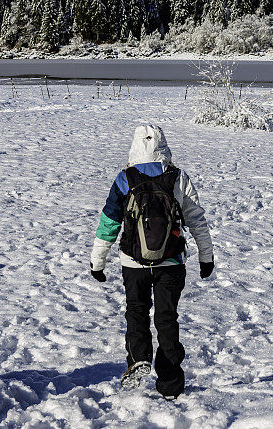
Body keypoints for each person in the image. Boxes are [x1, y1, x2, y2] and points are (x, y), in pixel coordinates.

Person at [89, 124, 214, 400]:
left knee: (136, 311)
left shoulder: (125, 178)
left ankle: (137, 358)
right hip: (171, 262)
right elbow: (197, 220)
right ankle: (170, 385)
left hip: (133, 263)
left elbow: (109, 222)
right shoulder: (178, 177)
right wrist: (207, 257)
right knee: (167, 319)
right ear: (163, 145)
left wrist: (97, 262)